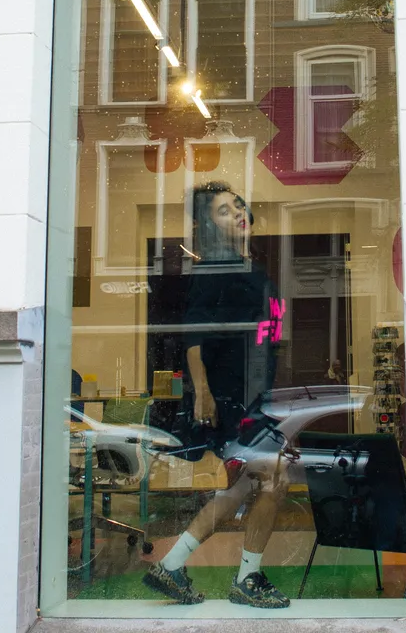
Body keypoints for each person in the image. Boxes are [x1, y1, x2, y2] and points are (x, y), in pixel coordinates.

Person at [143, 182, 291, 609]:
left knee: (251, 486)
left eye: (239, 204)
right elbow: (195, 336)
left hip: (255, 398)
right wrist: (202, 394)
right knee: (270, 481)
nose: (239, 212)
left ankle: (172, 566)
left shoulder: (253, 271)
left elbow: (266, 341)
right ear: (209, 226)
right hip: (231, 399)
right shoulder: (215, 269)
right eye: (224, 210)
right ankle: (245, 578)